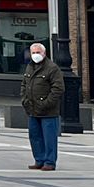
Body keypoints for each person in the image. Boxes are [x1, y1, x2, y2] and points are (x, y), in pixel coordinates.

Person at [21, 42, 65, 171]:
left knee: (49, 138)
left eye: (38, 52)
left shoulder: (52, 68)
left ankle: (49, 162)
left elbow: (58, 88)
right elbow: (24, 84)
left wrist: (46, 103)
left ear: (44, 53)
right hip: (32, 109)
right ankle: (39, 159)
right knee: (35, 136)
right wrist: (24, 100)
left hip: (48, 111)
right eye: (33, 53)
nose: (35, 55)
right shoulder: (29, 67)